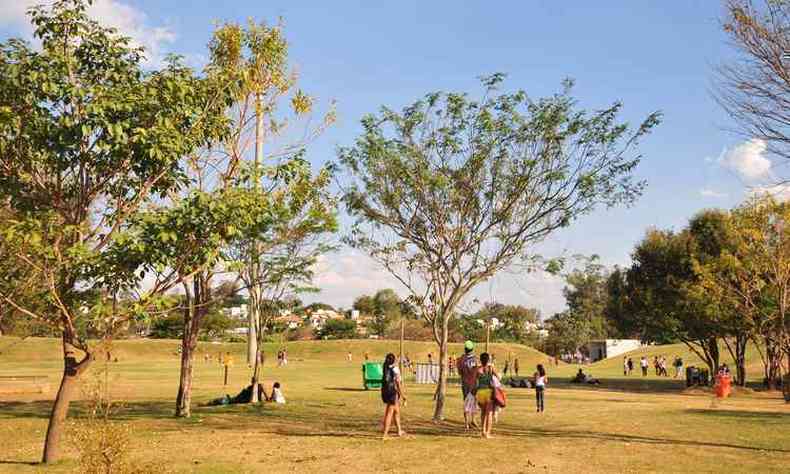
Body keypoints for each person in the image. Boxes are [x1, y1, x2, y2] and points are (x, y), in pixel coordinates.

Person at [380, 353, 406, 439]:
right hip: (392, 392)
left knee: (396, 411)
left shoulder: (385, 366)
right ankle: (385, 435)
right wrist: (403, 395)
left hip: (385, 391)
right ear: (394, 360)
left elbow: (392, 365)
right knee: (389, 412)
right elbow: (398, 383)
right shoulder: (395, 369)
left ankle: (399, 431)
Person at [475, 352, 498, 439]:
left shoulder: (478, 369)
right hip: (488, 392)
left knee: (483, 412)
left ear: (480, 360)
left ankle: (483, 431)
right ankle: (488, 433)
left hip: (480, 392)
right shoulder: (490, 368)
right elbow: (498, 377)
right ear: (488, 360)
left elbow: (474, 381)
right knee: (489, 413)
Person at [457, 340, 479, 430]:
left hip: (465, 384)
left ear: (465, 349)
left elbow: (459, 372)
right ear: (472, 349)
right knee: (474, 402)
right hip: (474, 384)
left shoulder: (461, 359)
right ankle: (473, 420)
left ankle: (466, 423)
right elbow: (477, 371)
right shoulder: (476, 359)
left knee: (466, 402)